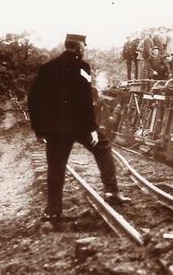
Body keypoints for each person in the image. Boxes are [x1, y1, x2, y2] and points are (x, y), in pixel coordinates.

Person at [27, 33, 130, 221]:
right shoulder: (81, 66)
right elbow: (84, 99)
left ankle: (53, 211)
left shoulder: (47, 68)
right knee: (104, 146)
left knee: (55, 167)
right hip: (80, 126)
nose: (84, 49)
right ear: (78, 48)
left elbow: (33, 99)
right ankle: (112, 192)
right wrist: (92, 128)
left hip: (56, 130)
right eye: (84, 46)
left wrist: (39, 130)